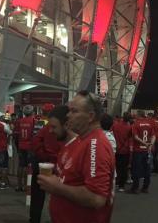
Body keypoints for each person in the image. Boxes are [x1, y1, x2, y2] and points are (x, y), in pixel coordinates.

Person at [38, 91, 115, 223]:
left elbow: (97, 198)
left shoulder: (95, 144)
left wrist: (58, 188)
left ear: (90, 116)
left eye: (74, 111)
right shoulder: (80, 140)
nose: (68, 115)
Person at [30, 103, 61, 223]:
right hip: (58, 164)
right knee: (60, 195)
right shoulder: (60, 127)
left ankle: (34, 219)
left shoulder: (40, 124)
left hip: (42, 163)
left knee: (37, 194)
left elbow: (35, 141)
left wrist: (43, 156)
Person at [131, 111, 155, 193]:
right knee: (147, 169)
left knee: (136, 169)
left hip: (138, 150)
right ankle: (145, 187)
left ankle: (135, 188)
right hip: (147, 150)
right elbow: (153, 136)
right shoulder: (149, 124)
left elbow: (135, 137)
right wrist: (150, 144)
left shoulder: (136, 124)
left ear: (138, 115)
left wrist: (144, 143)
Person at [15, 105, 35, 192]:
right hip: (30, 147)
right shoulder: (34, 121)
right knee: (28, 167)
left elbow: (15, 135)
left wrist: (17, 146)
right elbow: (35, 135)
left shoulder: (19, 121)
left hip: (21, 146)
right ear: (32, 112)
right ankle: (27, 186)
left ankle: (19, 185)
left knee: (20, 165)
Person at [112, 112, 132, 192]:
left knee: (116, 167)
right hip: (125, 150)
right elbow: (130, 138)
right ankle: (121, 186)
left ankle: (116, 182)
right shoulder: (129, 127)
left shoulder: (115, 125)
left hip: (116, 149)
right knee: (124, 168)